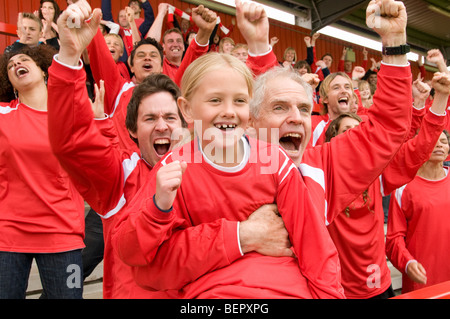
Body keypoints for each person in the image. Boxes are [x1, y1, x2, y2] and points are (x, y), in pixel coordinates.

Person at [323, 71, 448, 298]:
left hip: (380, 287)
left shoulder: (379, 176)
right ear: (331, 143)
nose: (353, 137)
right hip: (338, 291)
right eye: (345, 132)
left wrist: (440, 98)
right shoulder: (319, 179)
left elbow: (418, 147)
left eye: (358, 132)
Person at [0, 44, 85, 299]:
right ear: (10, 82)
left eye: (23, 60)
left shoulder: (71, 114)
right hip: (9, 233)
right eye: (10, 66)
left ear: (43, 71)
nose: (16, 64)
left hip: (63, 233)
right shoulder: (3, 114)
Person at [87, 4, 217, 153]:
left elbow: (191, 61)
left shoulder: (171, 91)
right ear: (131, 67)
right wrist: (89, 23)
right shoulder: (117, 90)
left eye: (153, 56)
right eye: (141, 56)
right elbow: (100, 54)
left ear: (162, 67)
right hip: (127, 174)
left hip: (171, 170)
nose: (147, 57)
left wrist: (205, 32)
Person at [386, 129, 450, 294]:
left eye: (443, 142)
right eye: (433, 141)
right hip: (422, 280)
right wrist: (407, 263)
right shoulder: (403, 188)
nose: (439, 145)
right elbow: (394, 239)